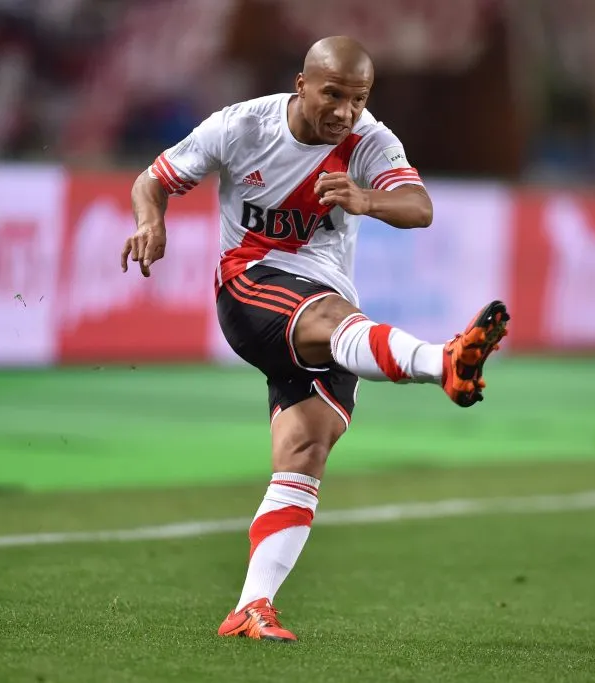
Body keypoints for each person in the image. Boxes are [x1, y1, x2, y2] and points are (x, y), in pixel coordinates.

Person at [120, 35, 509, 642]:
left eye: (358, 99)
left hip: (327, 301)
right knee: (326, 318)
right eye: (333, 95)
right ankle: (444, 362)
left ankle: (251, 608)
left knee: (306, 452)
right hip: (249, 285)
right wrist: (151, 221)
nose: (345, 112)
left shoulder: (368, 140)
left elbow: (420, 206)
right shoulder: (240, 126)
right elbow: (154, 180)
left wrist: (368, 198)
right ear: (301, 86)